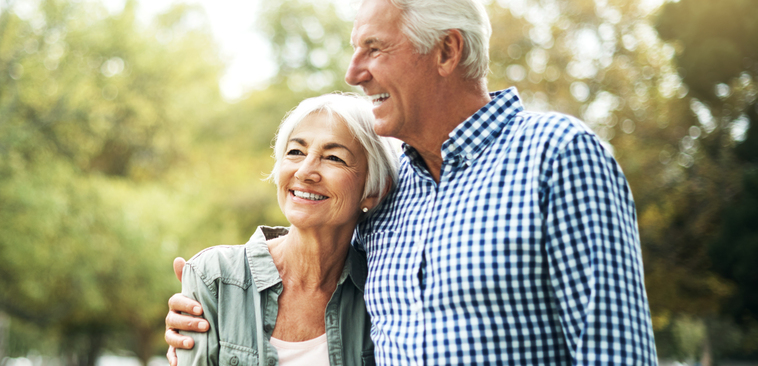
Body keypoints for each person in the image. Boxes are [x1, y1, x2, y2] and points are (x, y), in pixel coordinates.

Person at [167, 0, 658, 364]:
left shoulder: (557, 154)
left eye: (374, 49)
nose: (353, 72)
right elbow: (314, 237)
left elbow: (615, 353)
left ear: (447, 50)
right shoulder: (393, 186)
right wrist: (215, 291)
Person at [176, 93, 399, 366]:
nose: (305, 171)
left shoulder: (384, 292)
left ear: (374, 190)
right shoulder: (214, 277)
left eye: (334, 158)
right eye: (296, 152)